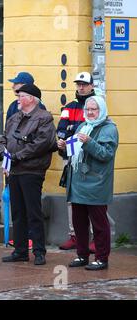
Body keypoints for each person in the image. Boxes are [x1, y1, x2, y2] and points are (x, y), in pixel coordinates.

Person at [0, 84, 57, 266]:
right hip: (14, 171)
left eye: (21, 95)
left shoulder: (44, 118)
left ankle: (39, 251)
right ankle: (20, 251)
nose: (17, 98)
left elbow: (41, 144)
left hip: (32, 171)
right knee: (18, 212)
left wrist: (16, 157)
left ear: (31, 98)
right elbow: (4, 139)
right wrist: (3, 154)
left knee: (33, 212)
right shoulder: (14, 117)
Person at [58, 95, 118, 270]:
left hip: (96, 183)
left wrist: (89, 142)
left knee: (99, 224)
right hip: (78, 183)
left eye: (94, 109)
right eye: (88, 110)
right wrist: (64, 148)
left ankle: (101, 258)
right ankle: (82, 255)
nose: (90, 112)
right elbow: (74, 152)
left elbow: (105, 154)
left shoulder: (109, 129)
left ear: (102, 110)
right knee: (79, 223)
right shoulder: (83, 126)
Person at [57, 72, 96, 252]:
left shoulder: (96, 106)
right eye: (78, 84)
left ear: (91, 86)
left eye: (84, 84)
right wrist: (63, 140)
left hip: (90, 159)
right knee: (71, 199)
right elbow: (62, 129)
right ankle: (74, 235)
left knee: (93, 197)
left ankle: (96, 237)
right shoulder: (69, 107)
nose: (81, 87)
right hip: (71, 158)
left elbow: (96, 131)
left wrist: (72, 132)